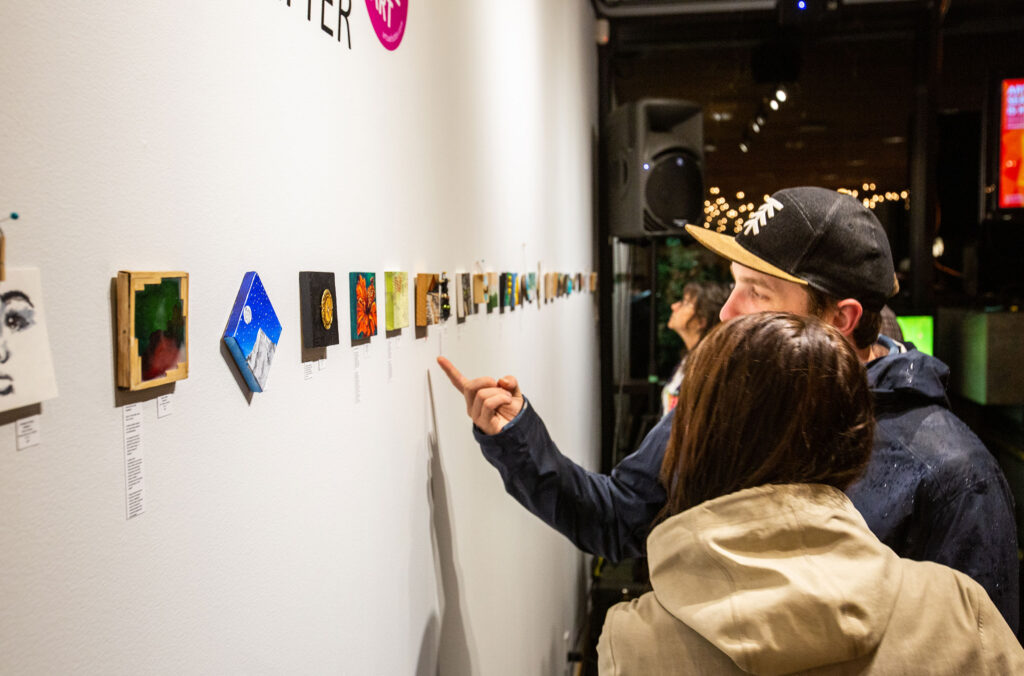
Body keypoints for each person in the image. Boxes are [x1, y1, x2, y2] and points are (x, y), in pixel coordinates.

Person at [436, 186, 1019, 632]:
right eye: (734, 283)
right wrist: (517, 436)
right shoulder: (724, 401)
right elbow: (619, 519)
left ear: (840, 319)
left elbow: (971, 648)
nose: (728, 311)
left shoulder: (953, 473)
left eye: (758, 293)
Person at [596, 313, 1024, 674]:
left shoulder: (631, 645)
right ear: (857, 447)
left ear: (696, 442)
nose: (729, 306)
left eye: (758, 291)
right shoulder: (959, 612)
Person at [661, 280, 731, 415]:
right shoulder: (687, 359)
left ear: (702, 320)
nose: (674, 306)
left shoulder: (707, 368)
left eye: (685, 303)